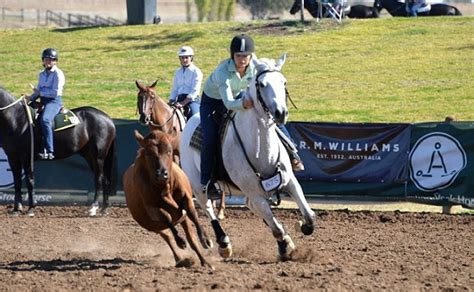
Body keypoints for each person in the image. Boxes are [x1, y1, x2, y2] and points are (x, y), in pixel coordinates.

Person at [200, 34, 304, 199]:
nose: (242, 60)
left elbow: (268, 72)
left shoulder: (255, 64)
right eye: (238, 56)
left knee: (271, 117)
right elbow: (228, 103)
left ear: (251, 56)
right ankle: (206, 182)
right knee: (210, 137)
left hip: (241, 96)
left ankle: (293, 154)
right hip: (214, 102)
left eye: (245, 56)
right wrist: (243, 105)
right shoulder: (222, 72)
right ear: (232, 56)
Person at [27, 48, 65, 160]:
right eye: (46, 59)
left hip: (54, 101)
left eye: (51, 60)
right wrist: (29, 98)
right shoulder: (41, 74)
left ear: (55, 61)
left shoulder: (58, 74)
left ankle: (50, 151)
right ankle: (36, 149)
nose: (48, 61)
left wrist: (39, 92)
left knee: (45, 120)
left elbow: (55, 93)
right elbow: (38, 90)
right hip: (43, 101)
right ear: (43, 61)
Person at [169, 46, 203, 120]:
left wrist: (183, 103)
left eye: (186, 57)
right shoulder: (178, 72)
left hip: (192, 100)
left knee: (195, 118)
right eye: (182, 57)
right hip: (179, 99)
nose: (184, 60)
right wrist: (171, 100)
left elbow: (195, 91)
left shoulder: (196, 72)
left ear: (191, 58)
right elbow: (175, 88)